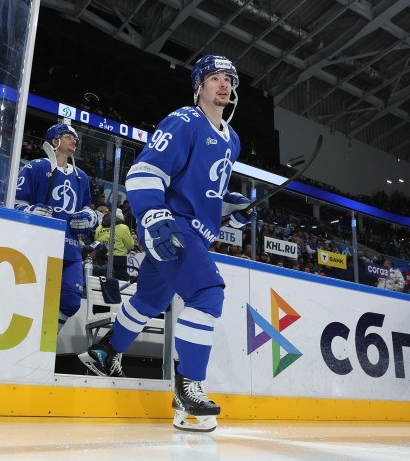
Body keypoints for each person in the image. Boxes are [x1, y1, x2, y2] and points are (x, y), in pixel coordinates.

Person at [78, 55, 255, 432]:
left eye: (228, 78)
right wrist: (153, 217)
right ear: (199, 86)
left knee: (151, 300)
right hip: (171, 227)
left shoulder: (233, 140)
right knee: (207, 293)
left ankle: (106, 350)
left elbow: (203, 193)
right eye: (214, 78)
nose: (224, 84)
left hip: (192, 232)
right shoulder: (184, 121)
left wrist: (231, 211)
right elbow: (145, 172)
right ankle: (187, 389)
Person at [15, 123, 96, 331]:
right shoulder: (35, 167)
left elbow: (87, 207)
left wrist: (89, 217)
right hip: (37, 245)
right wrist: (30, 211)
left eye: (75, 138)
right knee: (29, 296)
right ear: (54, 141)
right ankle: (27, 340)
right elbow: (16, 202)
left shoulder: (81, 176)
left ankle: (46, 339)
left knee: (71, 300)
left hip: (70, 248)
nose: (74, 140)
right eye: (68, 136)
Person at [94, 208, 135, 280]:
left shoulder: (99, 228)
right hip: (119, 259)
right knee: (121, 280)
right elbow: (130, 245)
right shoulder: (123, 227)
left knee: (103, 279)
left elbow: (96, 242)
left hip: (102, 258)